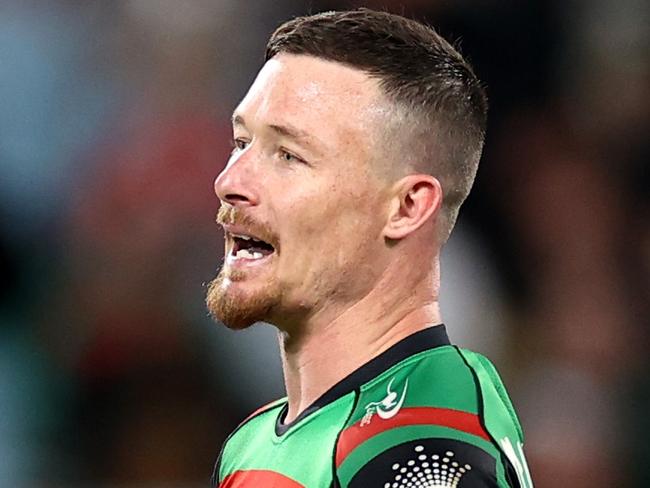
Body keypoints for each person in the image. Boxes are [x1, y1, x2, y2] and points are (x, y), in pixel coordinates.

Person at [205, 8, 533, 488]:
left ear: (406, 207)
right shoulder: (254, 443)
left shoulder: (422, 454)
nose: (228, 182)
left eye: (289, 155)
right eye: (241, 143)